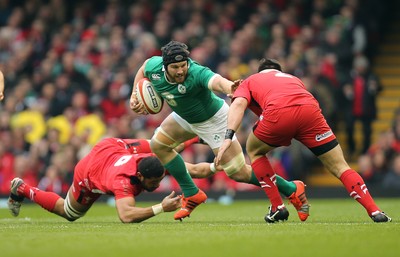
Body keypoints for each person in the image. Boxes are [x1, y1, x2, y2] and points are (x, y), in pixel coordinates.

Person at [130, 41, 310, 221]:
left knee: (238, 173)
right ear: (164, 66)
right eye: (175, 67)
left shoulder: (196, 72)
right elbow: (144, 67)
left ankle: (291, 188)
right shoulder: (154, 66)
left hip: (214, 120)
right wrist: (134, 95)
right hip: (185, 118)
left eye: (183, 65)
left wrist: (230, 87)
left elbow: (216, 81)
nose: (180, 71)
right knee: (158, 145)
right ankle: (192, 193)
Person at [216, 58, 391, 223]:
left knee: (254, 149)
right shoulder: (293, 78)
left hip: (279, 113)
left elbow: (238, 105)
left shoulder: (251, 80)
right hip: (311, 112)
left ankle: (278, 206)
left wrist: (228, 136)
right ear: (279, 71)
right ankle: (375, 211)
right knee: (340, 166)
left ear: (261, 71)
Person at [7, 138, 181, 223]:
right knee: (69, 213)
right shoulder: (122, 181)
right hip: (89, 174)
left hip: (110, 148)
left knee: (159, 144)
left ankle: (21, 188)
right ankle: (22, 188)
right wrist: (161, 207)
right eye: (154, 182)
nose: (157, 185)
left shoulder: (150, 154)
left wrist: (198, 139)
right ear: (141, 176)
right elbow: (126, 215)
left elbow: (170, 149)